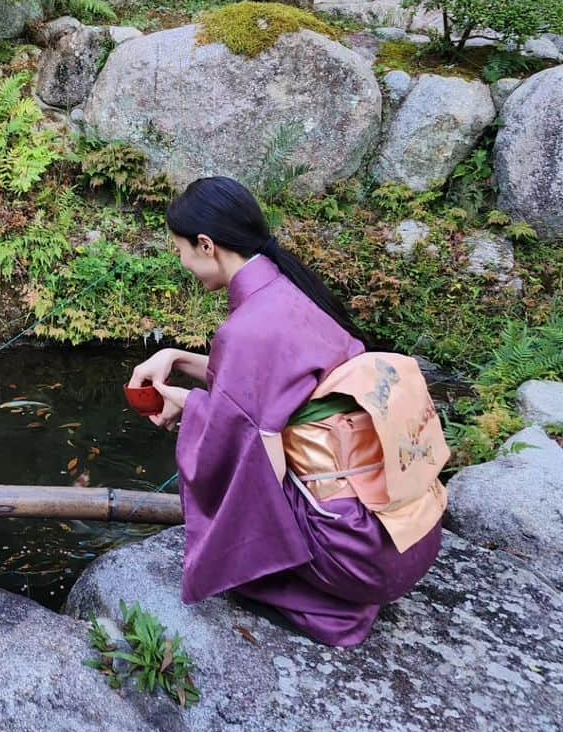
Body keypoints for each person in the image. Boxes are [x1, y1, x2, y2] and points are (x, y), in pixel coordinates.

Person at [130, 176, 448, 647]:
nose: (181, 262)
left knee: (234, 563)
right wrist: (175, 358)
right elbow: (259, 392)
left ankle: (332, 611)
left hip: (357, 560)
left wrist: (186, 403)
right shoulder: (293, 295)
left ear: (206, 244)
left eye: (180, 250)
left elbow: (233, 442)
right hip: (407, 537)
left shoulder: (247, 331)